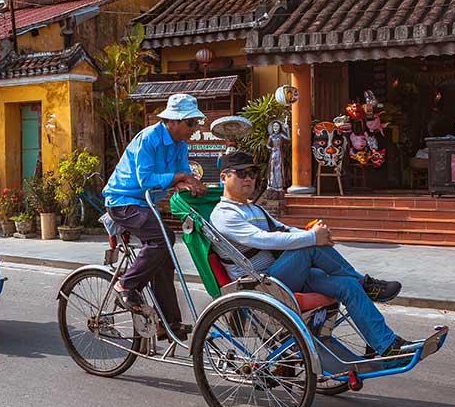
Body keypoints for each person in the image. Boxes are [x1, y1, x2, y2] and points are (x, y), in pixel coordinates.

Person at [208, 151, 418, 358]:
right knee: (310, 247)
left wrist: (316, 234)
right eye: (241, 173)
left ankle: (386, 344)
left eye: (252, 173)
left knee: (347, 286)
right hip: (259, 283)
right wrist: (312, 239)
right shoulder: (223, 214)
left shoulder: (254, 209)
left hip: (282, 275)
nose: (249, 178)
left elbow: (285, 230)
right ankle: (366, 284)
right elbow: (263, 239)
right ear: (224, 177)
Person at [103, 93, 207, 340]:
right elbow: (146, 180)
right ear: (173, 121)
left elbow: (181, 174)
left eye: (196, 123)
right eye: (190, 123)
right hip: (122, 201)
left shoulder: (180, 145)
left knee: (165, 258)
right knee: (163, 238)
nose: (194, 129)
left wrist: (190, 183)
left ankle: (168, 323)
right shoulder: (149, 138)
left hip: (145, 203)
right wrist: (180, 179)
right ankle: (126, 284)